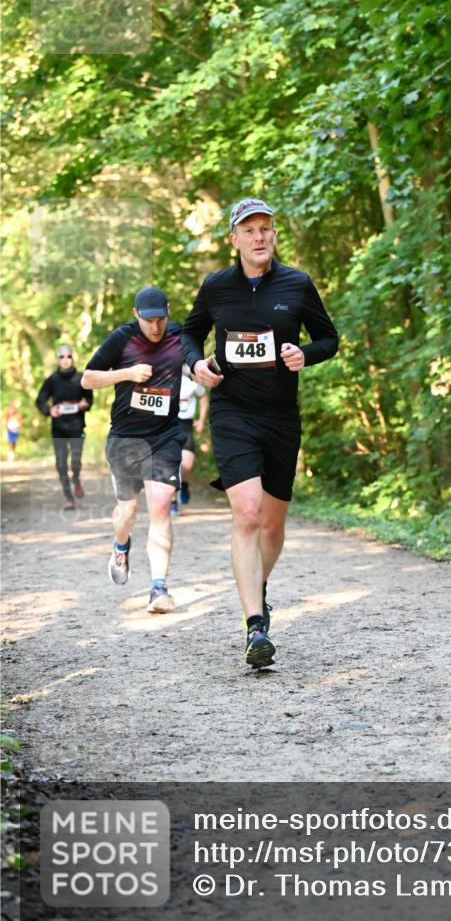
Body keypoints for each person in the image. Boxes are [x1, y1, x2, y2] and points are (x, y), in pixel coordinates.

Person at [182, 197, 339, 668]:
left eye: (265, 228)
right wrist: (196, 364)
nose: (259, 236)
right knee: (247, 514)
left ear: (273, 234)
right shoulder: (216, 287)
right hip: (232, 413)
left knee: (271, 523)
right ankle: (255, 626)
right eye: (249, 229)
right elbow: (189, 334)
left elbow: (328, 338)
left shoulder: (297, 283)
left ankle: (258, 587)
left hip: (280, 417)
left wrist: (304, 356)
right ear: (234, 239)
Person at [81, 287, 185, 613]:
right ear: (136, 314)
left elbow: (196, 364)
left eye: (161, 319)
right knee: (127, 514)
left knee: (160, 505)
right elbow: (87, 379)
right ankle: (121, 546)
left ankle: (158, 589)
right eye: (149, 320)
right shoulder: (122, 339)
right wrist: (127, 373)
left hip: (165, 436)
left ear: (168, 313)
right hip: (126, 438)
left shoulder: (180, 335)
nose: (156, 327)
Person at [35, 345, 93, 509]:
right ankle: (69, 498)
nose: (65, 359)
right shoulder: (52, 380)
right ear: (58, 360)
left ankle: (76, 478)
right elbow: (40, 401)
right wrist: (49, 410)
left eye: (68, 356)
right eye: (62, 357)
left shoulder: (81, 378)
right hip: (58, 428)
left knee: (75, 462)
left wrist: (84, 405)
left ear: (72, 358)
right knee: (61, 465)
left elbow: (89, 400)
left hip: (77, 427)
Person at [171, 363, 208, 516]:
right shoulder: (165, 379)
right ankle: (173, 502)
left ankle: (184, 483)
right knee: (172, 466)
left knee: (186, 465)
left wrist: (201, 420)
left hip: (186, 427)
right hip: (170, 427)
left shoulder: (192, 381)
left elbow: (204, 398)